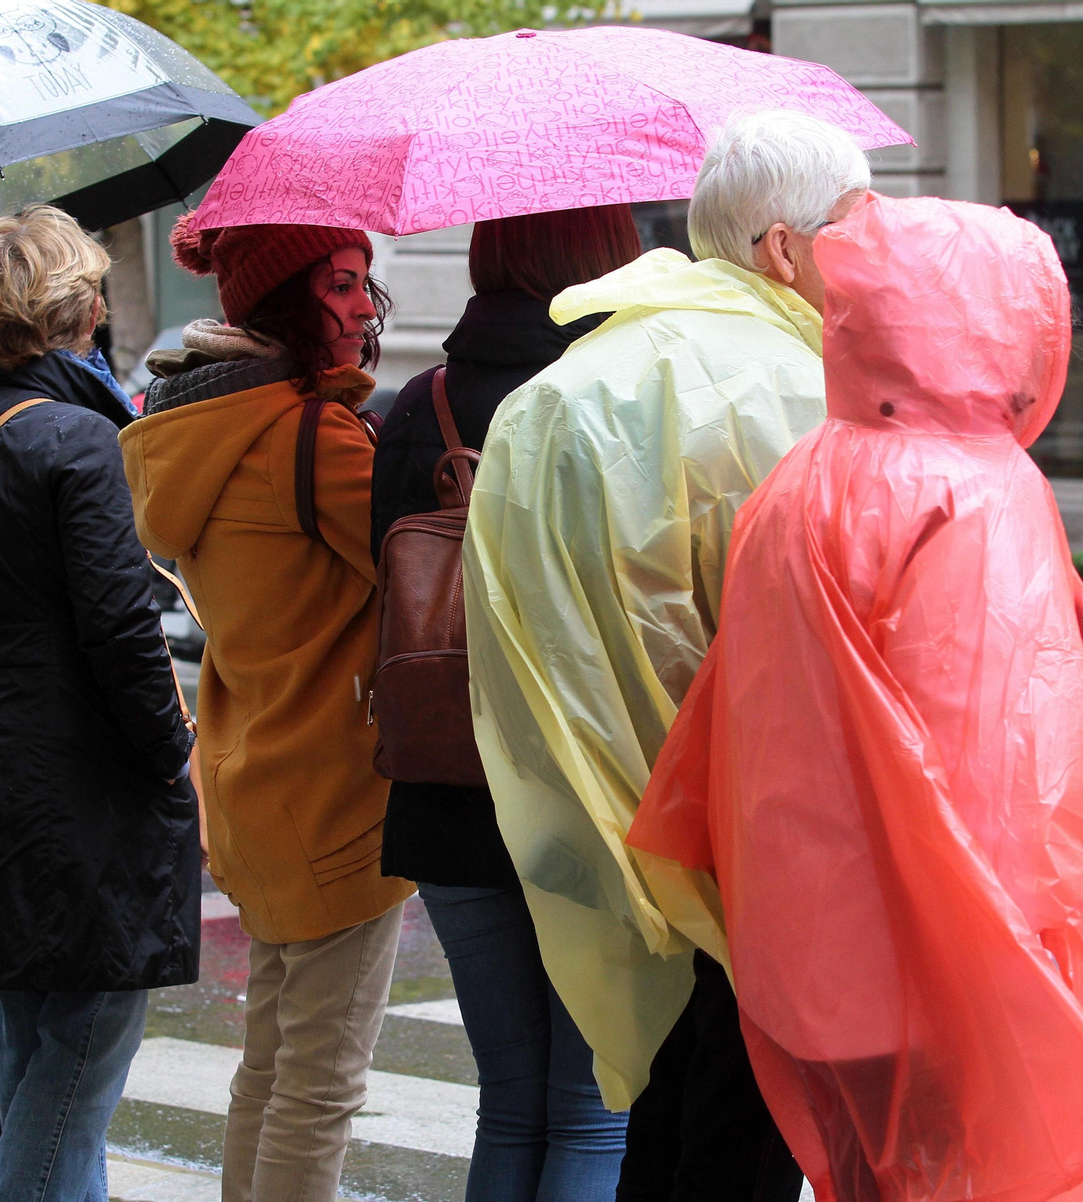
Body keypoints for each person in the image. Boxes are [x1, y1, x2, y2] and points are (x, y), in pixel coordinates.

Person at [631, 194, 1083, 1202]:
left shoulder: (808, 471)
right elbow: (999, 756)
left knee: (865, 1171)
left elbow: (732, 714)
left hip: (806, 941)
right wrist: (1024, 970)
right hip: (936, 954)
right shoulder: (974, 492)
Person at [461, 110, 865, 1200]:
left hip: (627, 830)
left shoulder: (574, 380)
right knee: (743, 1133)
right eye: (855, 221)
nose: (873, 246)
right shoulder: (788, 386)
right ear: (784, 247)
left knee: (667, 1120)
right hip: (768, 844)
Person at [118, 219, 415, 1202]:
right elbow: (423, 565)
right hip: (335, 792)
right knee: (319, 1086)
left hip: (257, 781)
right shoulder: (309, 435)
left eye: (363, 283)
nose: (360, 306)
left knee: (272, 1064)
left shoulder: (199, 427)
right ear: (285, 299)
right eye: (338, 284)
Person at [0, 205, 200, 1202]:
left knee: (39, 1054)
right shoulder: (76, 438)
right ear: (75, 306)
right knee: (73, 1077)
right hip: (78, 793)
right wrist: (174, 754)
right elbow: (121, 630)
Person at [371, 205, 642, 1202]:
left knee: (511, 1099)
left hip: (443, 785)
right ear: (598, 258)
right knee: (587, 1108)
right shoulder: (612, 392)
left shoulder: (416, 407)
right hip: (580, 793)